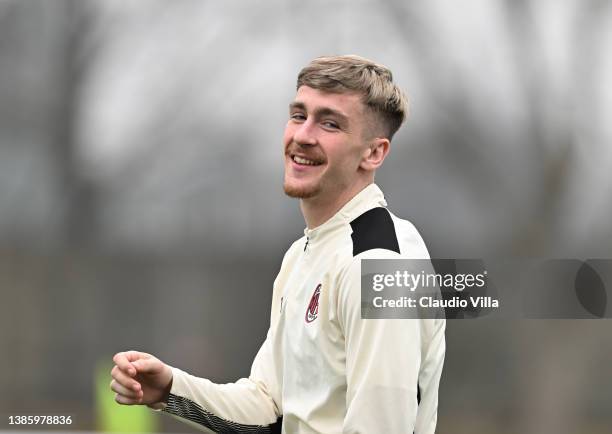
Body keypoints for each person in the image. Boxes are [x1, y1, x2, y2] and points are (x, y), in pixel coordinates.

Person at [110, 55, 445, 434]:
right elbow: (270, 409)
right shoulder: (303, 254)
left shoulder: (384, 265)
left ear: (374, 153)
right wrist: (170, 389)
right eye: (299, 115)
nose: (303, 135)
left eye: (330, 123)